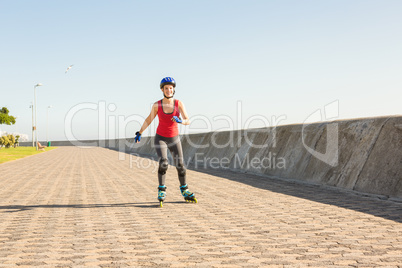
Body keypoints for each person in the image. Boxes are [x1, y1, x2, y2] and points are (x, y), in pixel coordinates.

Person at [134, 77, 197, 206]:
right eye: (166, 88)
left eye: (171, 88)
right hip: (160, 138)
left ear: (174, 89)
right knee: (164, 162)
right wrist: (140, 132)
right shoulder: (157, 105)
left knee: (181, 165)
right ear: (162, 90)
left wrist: (181, 121)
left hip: (174, 138)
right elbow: (149, 119)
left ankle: (184, 190)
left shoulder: (178, 103)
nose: (169, 90)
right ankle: (161, 189)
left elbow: (188, 120)